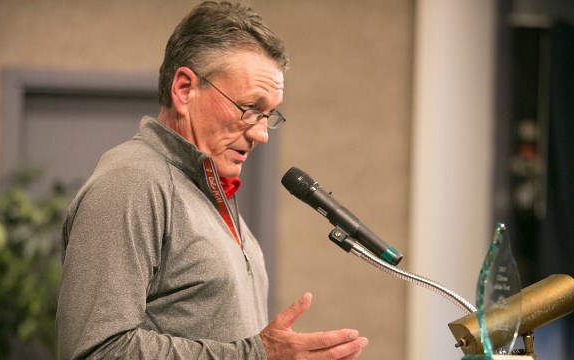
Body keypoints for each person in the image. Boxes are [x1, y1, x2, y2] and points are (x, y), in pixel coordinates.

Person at [56, 1, 369, 359]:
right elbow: (95, 349)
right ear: (185, 89)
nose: (262, 134)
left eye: (269, 115)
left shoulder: (211, 190)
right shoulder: (131, 182)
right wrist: (255, 355)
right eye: (250, 109)